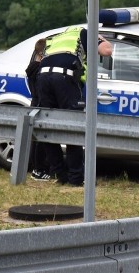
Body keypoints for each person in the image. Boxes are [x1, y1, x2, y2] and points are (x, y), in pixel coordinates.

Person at [36, 25, 112, 186]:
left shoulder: (57, 37)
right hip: (64, 78)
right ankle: (76, 178)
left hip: (42, 78)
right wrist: (102, 39)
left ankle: (61, 174)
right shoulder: (84, 32)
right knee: (74, 127)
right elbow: (107, 51)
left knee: (47, 128)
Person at [26, 38, 53, 181]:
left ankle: (37, 168)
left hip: (35, 102)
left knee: (36, 138)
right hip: (40, 103)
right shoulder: (39, 69)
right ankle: (39, 169)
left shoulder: (32, 67)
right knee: (40, 139)